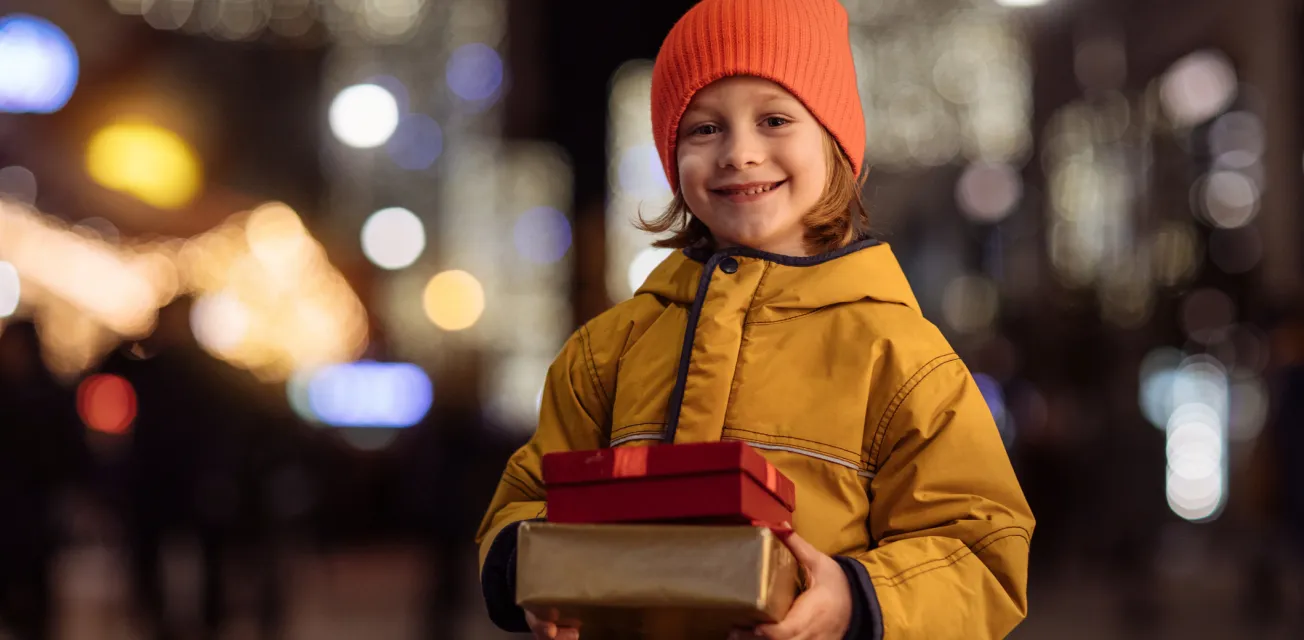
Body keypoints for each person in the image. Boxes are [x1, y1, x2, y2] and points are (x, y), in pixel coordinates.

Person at [475, 1, 1035, 638]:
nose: (739, 153)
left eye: (774, 119)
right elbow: (525, 496)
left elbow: (981, 550)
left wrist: (856, 602)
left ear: (833, 144)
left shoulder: (901, 357)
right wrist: (536, 570)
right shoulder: (607, 351)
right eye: (704, 129)